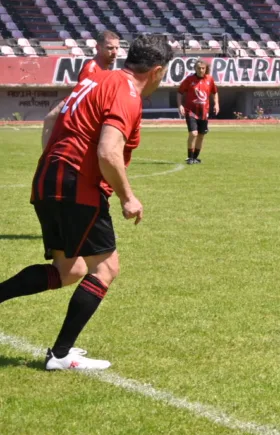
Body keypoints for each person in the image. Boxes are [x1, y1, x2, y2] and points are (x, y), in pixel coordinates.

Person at [0, 35, 173, 371]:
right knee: (106, 268)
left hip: (48, 177)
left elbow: (52, 118)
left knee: (70, 270)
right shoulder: (127, 93)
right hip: (77, 184)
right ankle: (60, 355)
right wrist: (128, 197)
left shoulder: (96, 78)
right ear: (155, 71)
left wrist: (57, 160)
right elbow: (108, 152)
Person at [177, 60, 219, 165]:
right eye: (199, 68)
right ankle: (190, 157)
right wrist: (180, 105)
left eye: (203, 68)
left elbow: (215, 92)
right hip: (191, 111)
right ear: (195, 69)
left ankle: (195, 158)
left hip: (204, 112)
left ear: (206, 69)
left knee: (201, 135)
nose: (201, 70)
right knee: (193, 133)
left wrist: (216, 104)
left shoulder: (209, 79)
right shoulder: (189, 79)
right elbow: (180, 92)